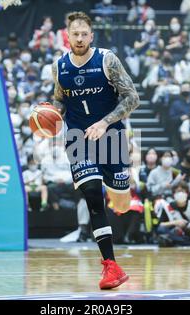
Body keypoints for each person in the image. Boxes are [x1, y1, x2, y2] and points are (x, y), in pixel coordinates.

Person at [51, 11, 139, 289]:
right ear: (68, 36)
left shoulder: (107, 59)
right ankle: (111, 267)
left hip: (111, 136)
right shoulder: (59, 66)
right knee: (91, 195)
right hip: (78, 138)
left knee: (121, 205)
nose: (79, 38)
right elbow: (59, 101)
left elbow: (132, 97)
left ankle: (121, 197)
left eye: (83, 34)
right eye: (74, 34)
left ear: (91, 36)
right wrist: (49, 116)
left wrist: (105, 122)